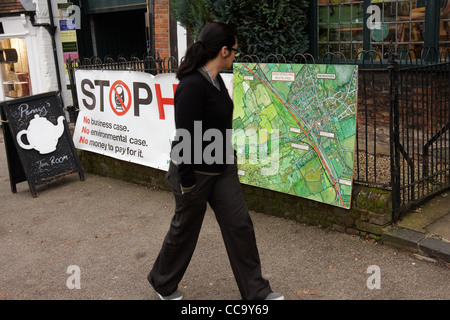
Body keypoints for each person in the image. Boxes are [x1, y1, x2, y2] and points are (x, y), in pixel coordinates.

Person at [147, 22, 284, 301]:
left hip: (221, 168)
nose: (235, 55)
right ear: (223, 51)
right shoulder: (192, 85)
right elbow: (184, 136)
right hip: (193, 173)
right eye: (234, 50)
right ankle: (162, 282)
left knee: (240, 226)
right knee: (184, 231)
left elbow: (220, 125)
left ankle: (257, 291)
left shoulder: (217, 79)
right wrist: (186, 183)